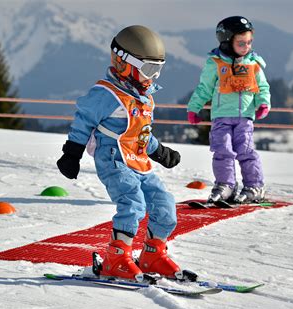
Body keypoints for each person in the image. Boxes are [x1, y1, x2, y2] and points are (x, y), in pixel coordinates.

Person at [57, 25, 183, 282]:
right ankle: (115, 258)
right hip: (113, 160)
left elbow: (140, 134)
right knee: (132, 202)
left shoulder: (143, 97)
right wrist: (72, 153)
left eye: (158, 69)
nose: (154, 77)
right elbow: (83, 121)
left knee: (165, 204)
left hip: (138, 160)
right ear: (124, 63)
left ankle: (152, 254)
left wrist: (159, 151)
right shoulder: (106, 95)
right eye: (149, 69)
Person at [187, 16, 271, 204]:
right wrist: (194, 107)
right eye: (241, 43)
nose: (246, 47)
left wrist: (264, 103)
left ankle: (254, 186)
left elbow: (263, 87)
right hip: (221, 117)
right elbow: (204, 88)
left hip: (245, 117)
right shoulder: (215, 63)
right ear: (226, 41)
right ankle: (225, 186)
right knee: (222, 151)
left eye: (249, 42)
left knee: (246, 151)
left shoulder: (253, 63)